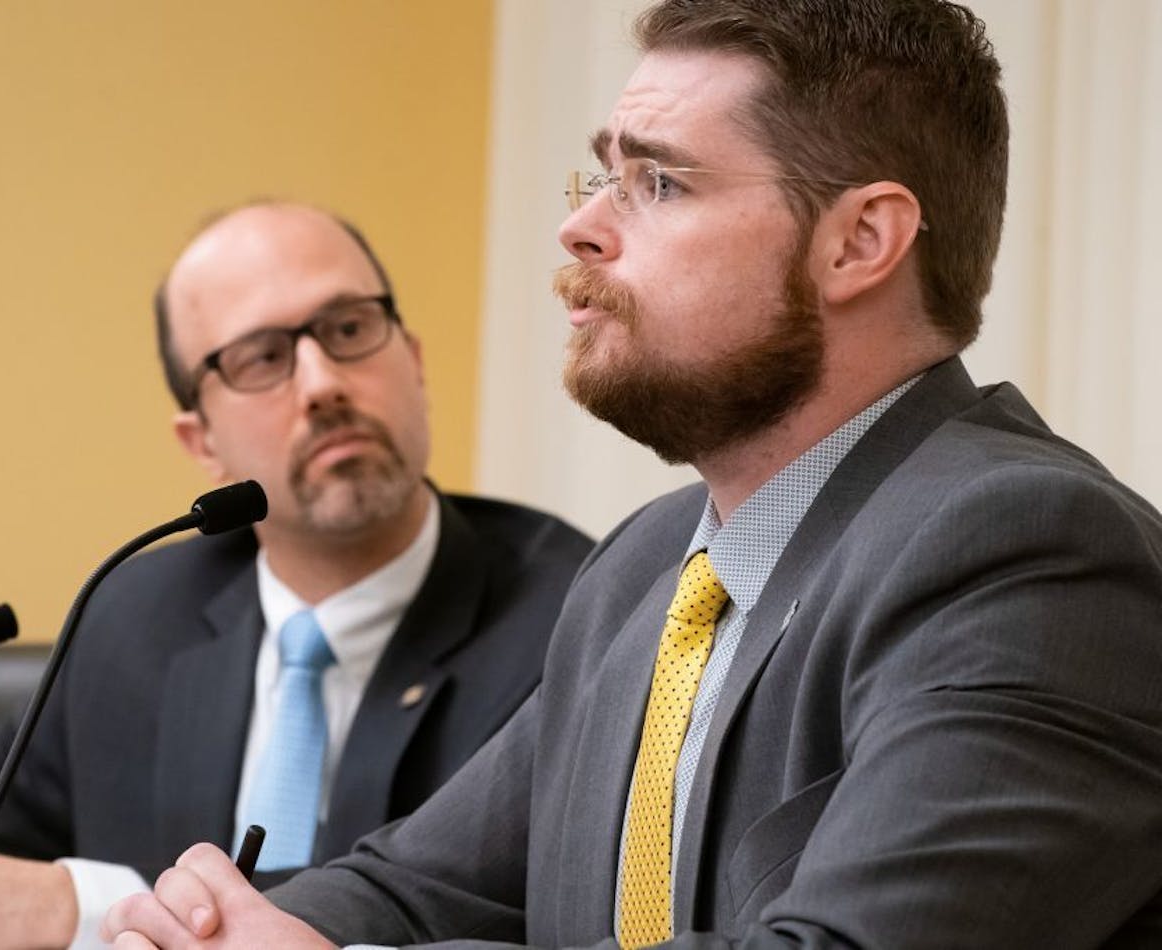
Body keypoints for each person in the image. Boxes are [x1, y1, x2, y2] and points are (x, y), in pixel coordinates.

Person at [101, 2, 1162, 948]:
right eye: (601, 173)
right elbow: (416, 884)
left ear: (859, 241)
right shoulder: (644, 567)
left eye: (658, 181)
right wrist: (242, 925)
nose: (578, 226)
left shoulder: (1030, 552)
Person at [0, 202, 593, 948]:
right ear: (202, 444)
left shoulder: (576, 616)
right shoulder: (140, 610)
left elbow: (461, 910)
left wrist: (75, 908)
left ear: (412, 360)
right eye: (261, 357)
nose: (324, 383)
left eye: (347, 330)